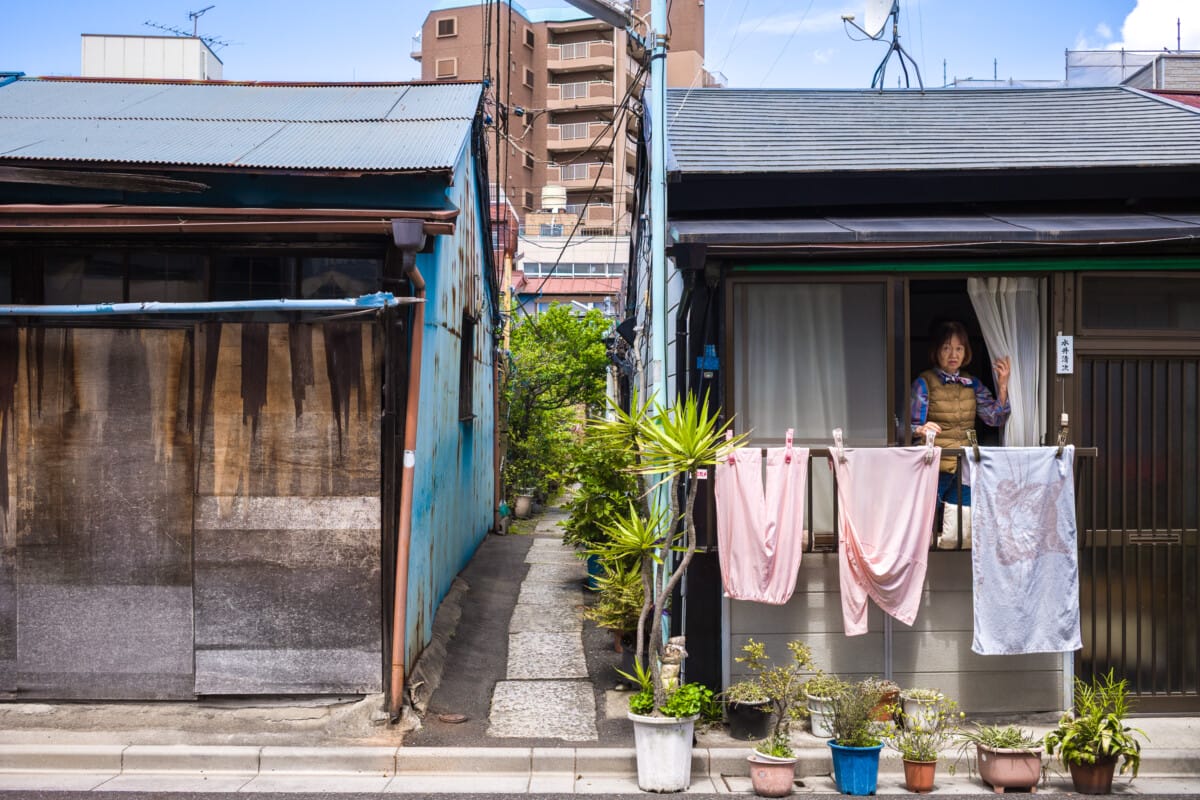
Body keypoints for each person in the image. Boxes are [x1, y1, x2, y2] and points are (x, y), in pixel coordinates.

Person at [910, 321, 1011, 505]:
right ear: (936, 351)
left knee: (960, 524)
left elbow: (995, 418)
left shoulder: (971, 383)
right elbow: (908, 427)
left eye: (959, 348)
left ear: (966, 352)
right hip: (934, 466)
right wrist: (919, 429)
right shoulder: (924, 383)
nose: (953, 355)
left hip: (965, 465)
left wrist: (1003, 386)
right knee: (929, 521)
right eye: (946, 348)